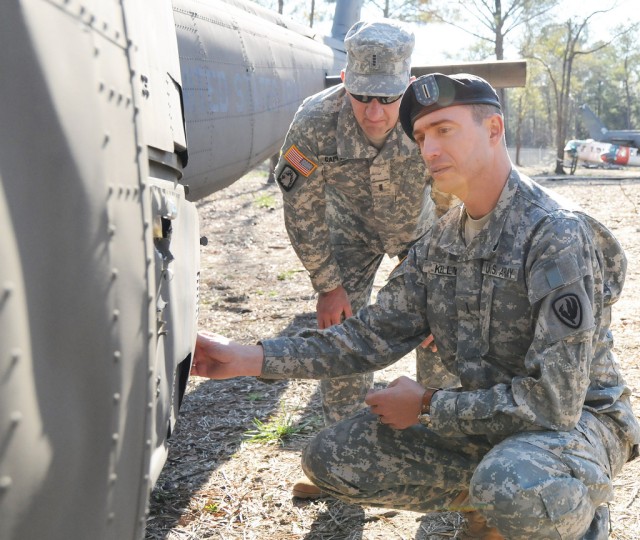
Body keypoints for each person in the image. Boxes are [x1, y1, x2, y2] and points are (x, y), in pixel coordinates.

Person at [192, 73, 640, 538]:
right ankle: (493, 502)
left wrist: (427, 404)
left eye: (444, 129)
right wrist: (251, 358)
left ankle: (575, 502)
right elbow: (369, 336)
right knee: (332, 455)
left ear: (493, 129)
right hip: (488, 424)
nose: (428, 149)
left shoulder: (555, 233)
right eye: (422, 136)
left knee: (517, 484)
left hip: (576, 427)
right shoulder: (442, 241)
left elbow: (556, 402)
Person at [272, 20, 459, 497]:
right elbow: (302, 206)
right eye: (362, 97)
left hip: (421, 236)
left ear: (410, 86)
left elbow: (454, 201)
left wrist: (444, 280)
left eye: (388, 99)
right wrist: (327, 284)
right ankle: (343, 464)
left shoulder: (432, 119)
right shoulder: (314, 120)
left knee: (441, 338)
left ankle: (451, 464)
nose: (375, 114)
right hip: (346, 236)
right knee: (343, 341)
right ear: (343, 80)